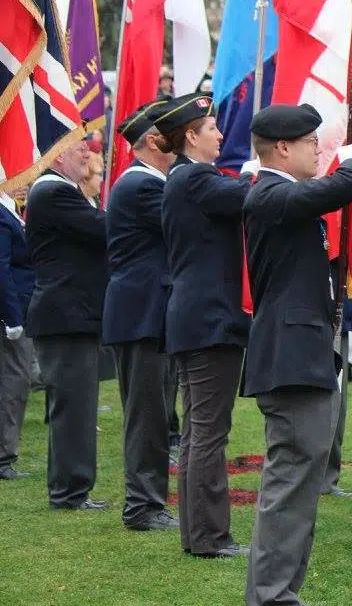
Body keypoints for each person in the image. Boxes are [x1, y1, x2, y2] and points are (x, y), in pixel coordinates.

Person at [242, 104, 352, 606]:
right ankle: (272, 594)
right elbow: (337, 189)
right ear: (281, 149)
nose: (319, 148)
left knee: (301, 479)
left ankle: (281, 591)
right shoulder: (270, 194)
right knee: (291, 480)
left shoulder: (282, 196)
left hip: (302, 350)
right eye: (310, 141)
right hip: (290, 354)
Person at [158, 93, 252, 557]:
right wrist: (265, 169)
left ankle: (200, 535)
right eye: (212, 128)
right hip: (209, 319)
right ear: (191, 136)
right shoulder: (195, 178)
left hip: (197, 318)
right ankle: (210, 536)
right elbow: (247, 196)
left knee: (200, 433)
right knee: (208, 433)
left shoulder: (185, 178)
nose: (220, 135)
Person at [101, 102, 179, 531]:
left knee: (156, 412)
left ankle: (149, 503)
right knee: (147, 414)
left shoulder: (148, 183)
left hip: (148, 312)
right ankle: (142, 507)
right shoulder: (141, 185)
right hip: (141, 314)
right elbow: (187, 219)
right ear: (153, 140)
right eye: (173, 132)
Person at [24, 139, 107, 510]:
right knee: (73, 407)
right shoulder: (52, 191)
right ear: (57, 156)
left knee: (76, 405)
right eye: (78, 151)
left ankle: (71, 487)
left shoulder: (59, 192)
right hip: (65, 314)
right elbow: (101, 228)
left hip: (71, 313)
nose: (87, 155)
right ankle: (70, 491)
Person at [0, 184, 34, 481]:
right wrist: (13, 317)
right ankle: (3, 455)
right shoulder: (1, 214)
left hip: (17, 307)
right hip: (12, 311)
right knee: (14, 380)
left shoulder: (9, 209)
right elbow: (2, 268)